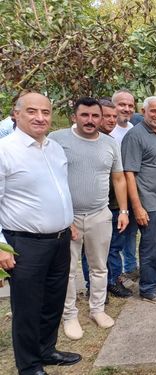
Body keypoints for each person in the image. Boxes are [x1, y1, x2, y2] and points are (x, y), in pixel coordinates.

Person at [0, 92, 82, 374]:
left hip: (59, 240)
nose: (40, 117)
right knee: (27, 307)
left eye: (45, 112)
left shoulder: (54, 148)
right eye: (32, 111)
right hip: (24, 243)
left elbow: (59, 188)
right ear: (17, 114)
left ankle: (47, 350)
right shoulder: (5, 150)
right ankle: (29, 365)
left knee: (53, 300)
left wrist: (68, 219)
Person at [49, 97, 128, 339]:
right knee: (69, 270)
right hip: (67, 219)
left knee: (99, 267)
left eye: (95, 116)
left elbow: (118, 178)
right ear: (75, 116)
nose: (90, 120)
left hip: (100, 215)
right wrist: (63, 216)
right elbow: (49, 179)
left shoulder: (109, 143)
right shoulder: (57, 140)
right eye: (85, 115)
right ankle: (70, 315)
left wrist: (123, 211)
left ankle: (97, 309)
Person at [121, 96, 156, 304]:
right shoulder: (135, 136)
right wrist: (137, 208)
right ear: (143, 111)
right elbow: (129, 174)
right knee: (150, 246)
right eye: (153, 111)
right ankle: (147, 287)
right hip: (150, 203)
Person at [97, 99, 135, 298]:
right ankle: (101, 285)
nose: (111, 120)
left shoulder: (112, 140)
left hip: (117, 202)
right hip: (98, 205)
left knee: (115, 245)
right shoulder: (93, 140)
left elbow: (120, 177)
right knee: (97, 250)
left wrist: (124, 208)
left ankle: (113, 279)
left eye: (113, 116)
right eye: (107, 116)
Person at [109, 89, 139, 282]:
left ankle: (130, 266)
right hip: (112, 195)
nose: (126, 109)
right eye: (122, 104)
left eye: (130, 105)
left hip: (133, 191)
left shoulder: (135, 129)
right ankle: (115, 273)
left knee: (131, 233)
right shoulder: (108, 130)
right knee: (115, 236)